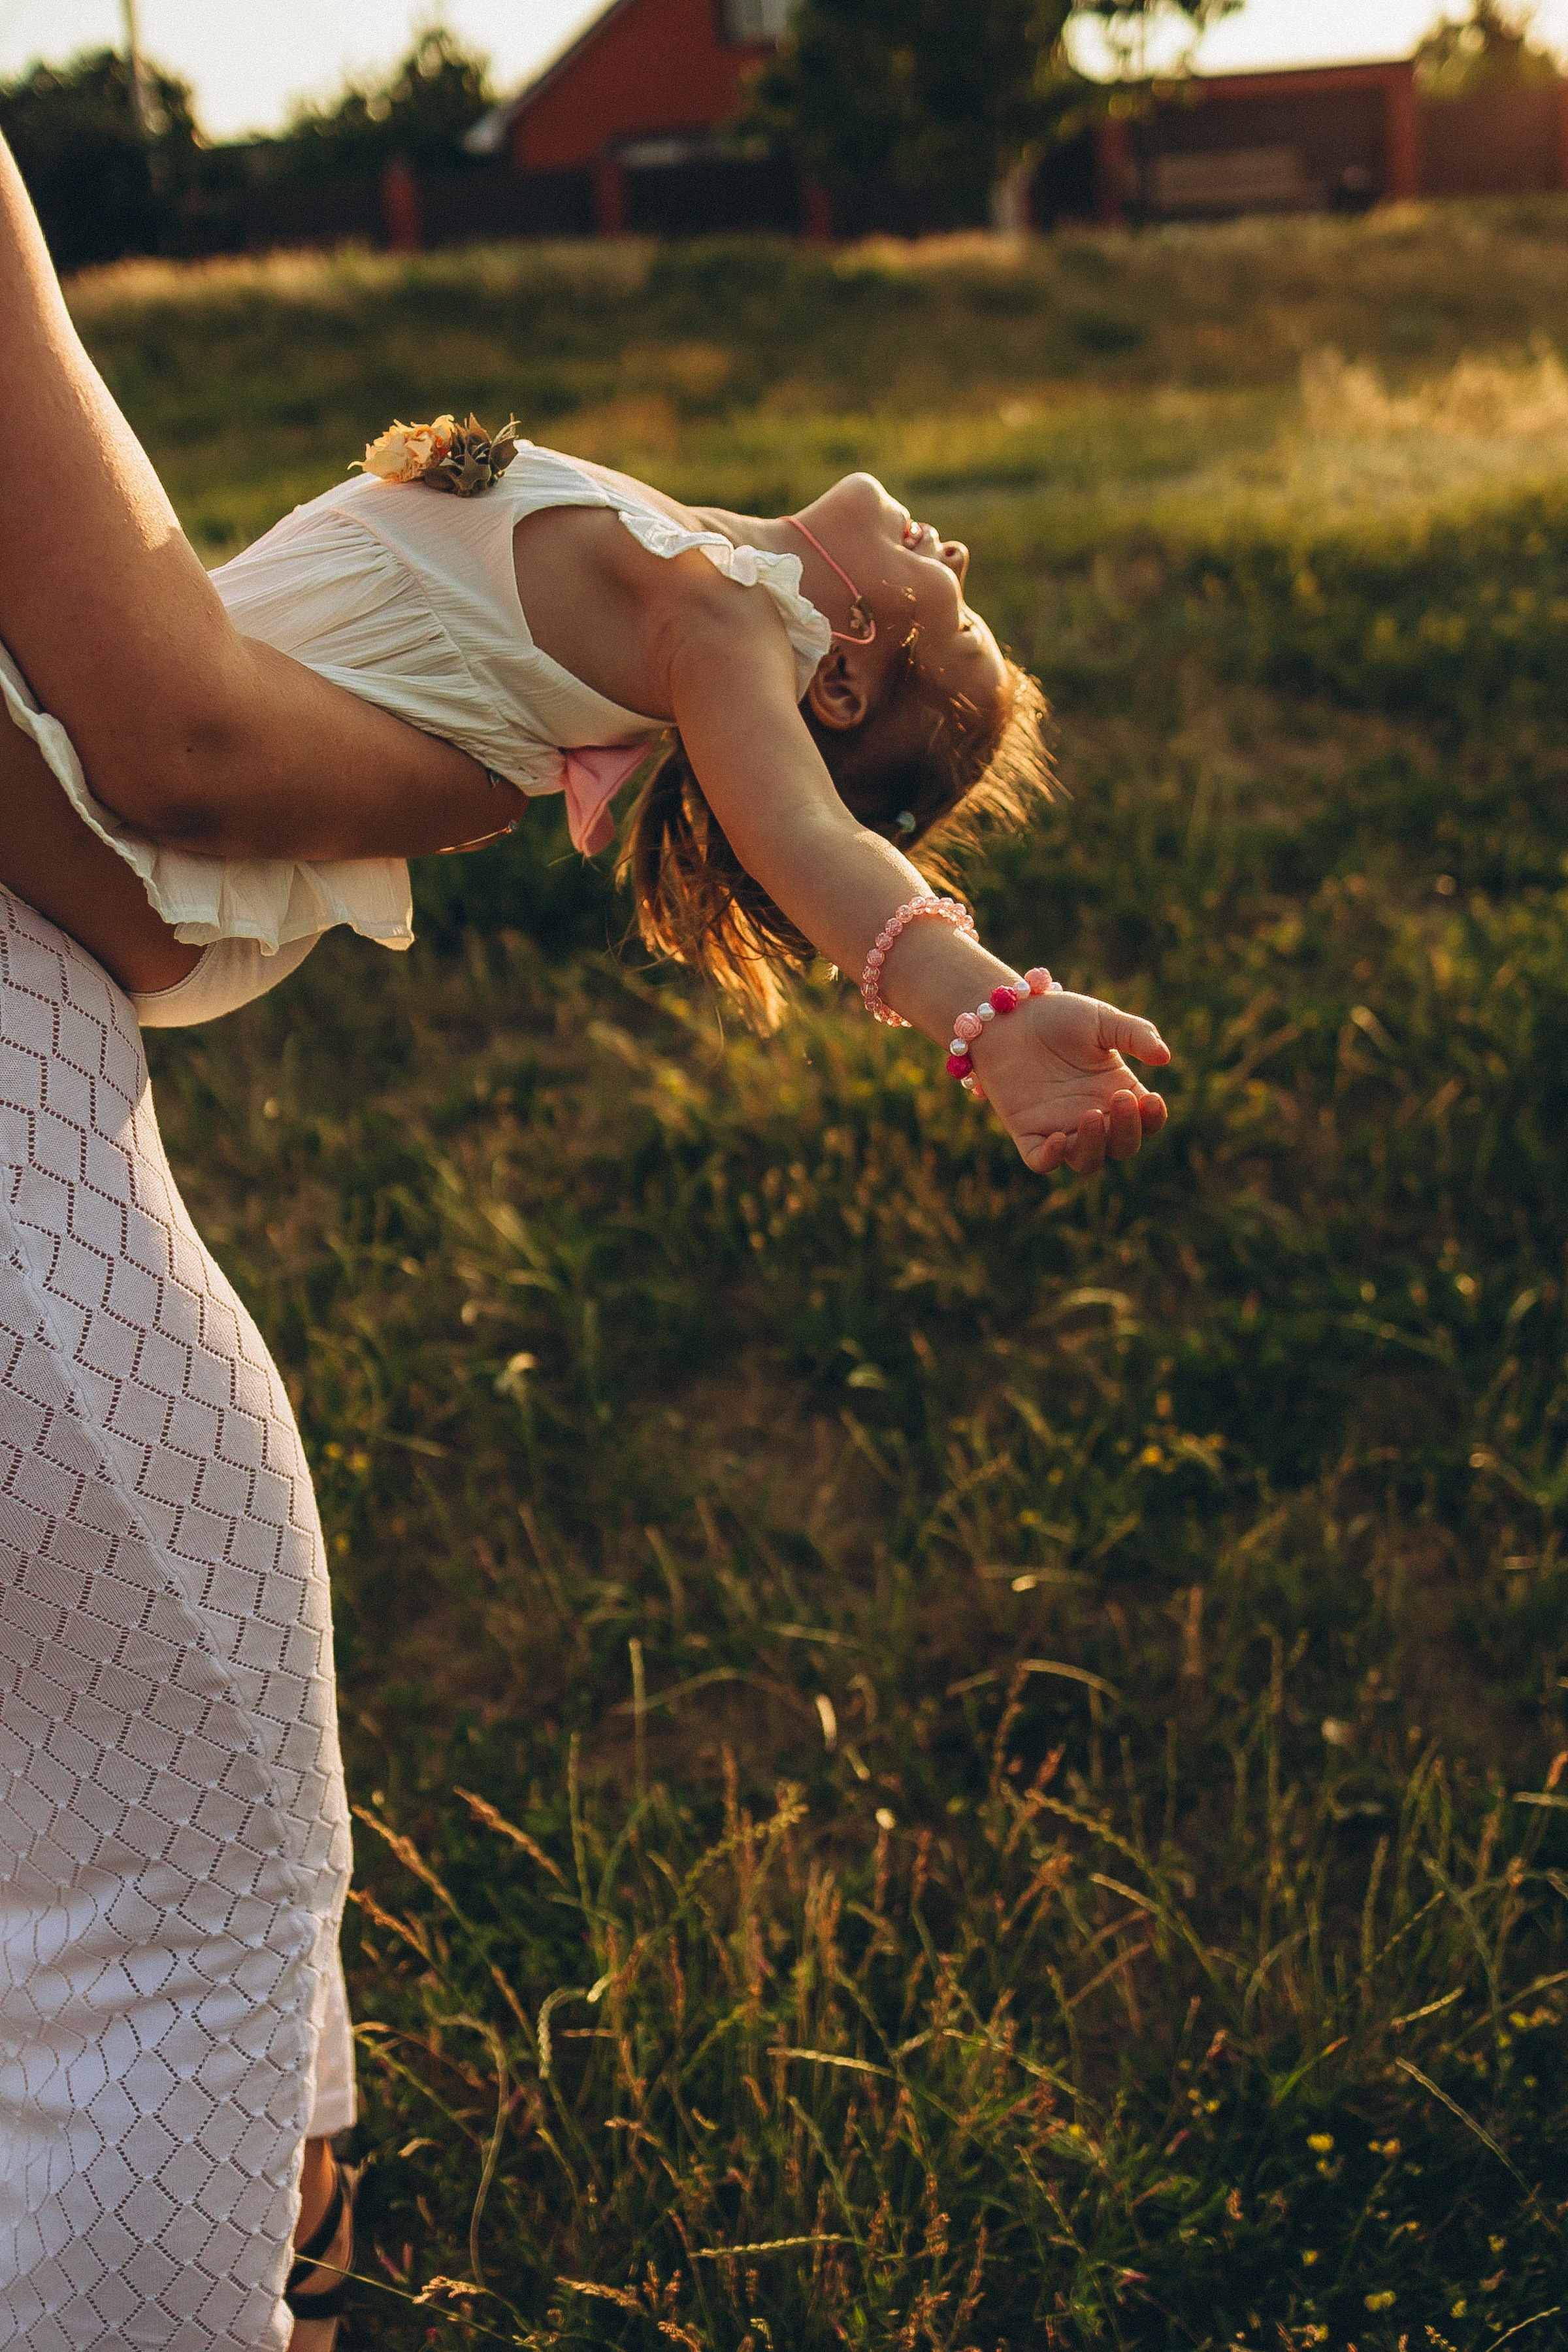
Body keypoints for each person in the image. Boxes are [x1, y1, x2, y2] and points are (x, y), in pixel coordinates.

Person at [0, 128, 1170, 2352]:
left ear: (847, 672)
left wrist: (983, 1011)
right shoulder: (695, 560)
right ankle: (277, 2220)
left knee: (179, 1882)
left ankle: (256, 2230)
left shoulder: (725, 624)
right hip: (130, 816)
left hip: (132, 845)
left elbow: (812, 849)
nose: (940, 547)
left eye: (946, 603)